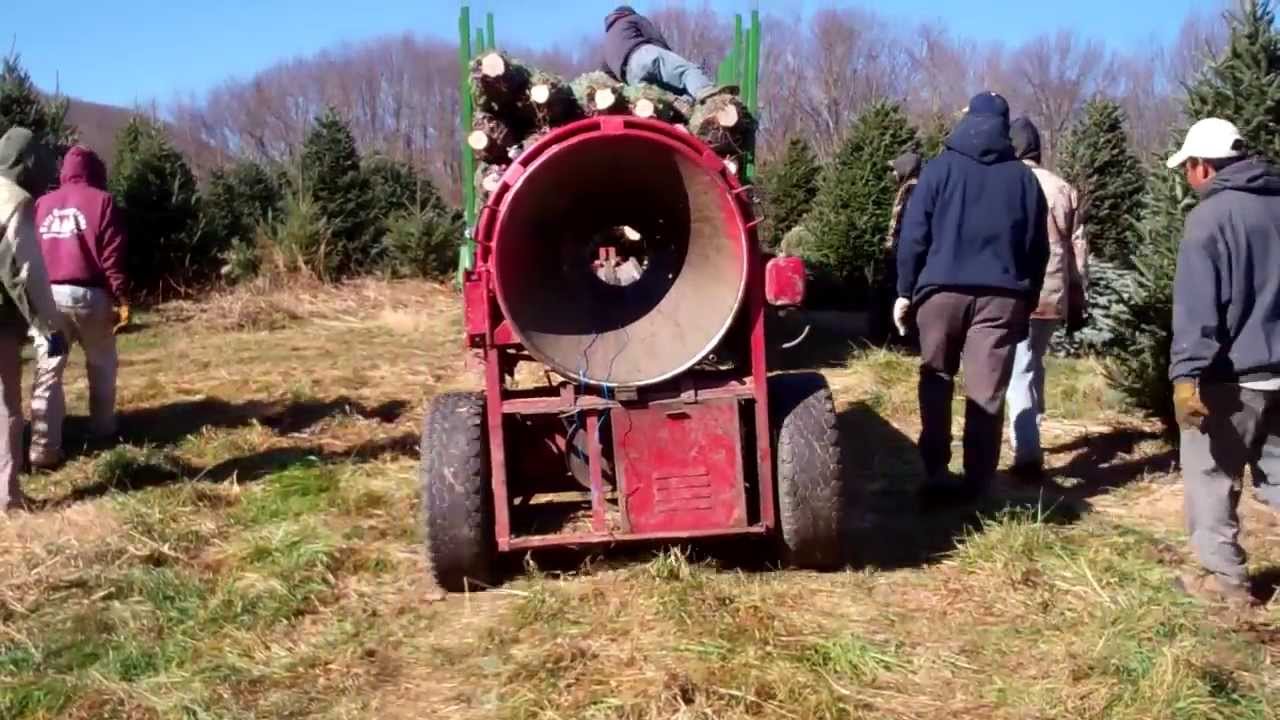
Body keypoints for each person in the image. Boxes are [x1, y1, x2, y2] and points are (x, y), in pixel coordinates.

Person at [894, 92, 1049, 502]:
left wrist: (905, 290)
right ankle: (978, 484)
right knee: (986, 393)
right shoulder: (1024, 180)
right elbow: (1037, 248)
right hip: (1001, 299)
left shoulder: (939, 170)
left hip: (940, 293)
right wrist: (1027, 297)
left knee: (936, 377)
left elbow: (913, 236)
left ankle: (935, 471)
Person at [1166, 118, 1280, 608]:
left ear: (1203, 166)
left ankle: (1225, 584)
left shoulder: (1210, 220)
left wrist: (1186, 377)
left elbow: (1197, 310)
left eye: (1188, 169)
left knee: (1211, 476)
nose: (1188, 179)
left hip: (1234, 377)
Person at [29, 145, 129, 469]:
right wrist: (121, 297)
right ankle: (102, 430)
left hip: (49, 303)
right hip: (90, 301)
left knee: (50, 370)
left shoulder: (42, 204)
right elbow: (112, 257)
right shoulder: (102, 201)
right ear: (94, 170)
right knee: (101, 363)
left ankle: (43, 449)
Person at [1004, 118, 1087, 479]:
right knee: (1034, 361)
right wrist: (1079, 294)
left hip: (1019, 290)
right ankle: (1031, 428)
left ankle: (1026, 453)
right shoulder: (1063, 188)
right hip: (1053, 293)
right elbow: (1078, 248)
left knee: (1019, 368)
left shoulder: (1006, 185)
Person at [0, 127, 67, 512]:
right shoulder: (14, 200)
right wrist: (48, 327)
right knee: (6, 406)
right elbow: (23, 270)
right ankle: (7, 498)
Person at [602, 6, 722, 102]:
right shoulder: (632, 18)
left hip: (631, 77)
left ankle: (685, 105)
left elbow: (606, 74)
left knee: (670, 98)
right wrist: (670, 57)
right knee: (686, 71)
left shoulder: (607, 43)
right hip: (643, 55)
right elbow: (655, 38)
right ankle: (708, 95)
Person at [886, 152, 923, 250]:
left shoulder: (912, 189)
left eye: (896, 169)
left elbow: (907, 222)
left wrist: (896, 247)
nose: (894, 173)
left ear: (905, 170)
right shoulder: (905, 187)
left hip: (903, 249)